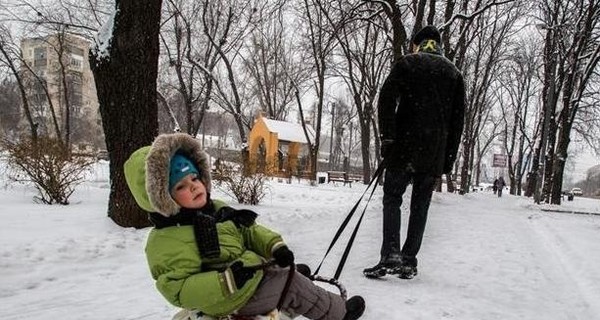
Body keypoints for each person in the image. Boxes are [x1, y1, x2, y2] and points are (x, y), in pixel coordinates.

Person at [123, 133, 365, 320]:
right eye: (181, 187)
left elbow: (249, 231)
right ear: (161, 199)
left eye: (195, 178)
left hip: (245, 278)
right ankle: (339, 312)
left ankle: (284, 280)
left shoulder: (214, 210)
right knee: (292, 284)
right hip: (228, 298)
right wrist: (225, 281)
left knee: (287, 270)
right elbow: (178, 290)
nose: (195, 187)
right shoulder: (166, 241)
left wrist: (274, 247)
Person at [364, 25, 465, 280]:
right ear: (438, 44)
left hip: (403, 147)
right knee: (420, 206)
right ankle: (409, 261)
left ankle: (390, 255)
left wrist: (388, 137)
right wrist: (447, 159)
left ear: (417, 44)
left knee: (392, 199)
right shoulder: (453, 74)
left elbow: (386, 98)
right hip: (433, 153)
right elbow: (458, 122)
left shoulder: (407, 63)